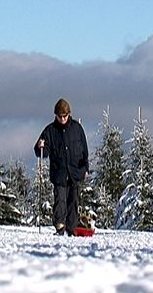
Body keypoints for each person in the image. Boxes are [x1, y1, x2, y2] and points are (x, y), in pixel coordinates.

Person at [34, 98, 89, 236]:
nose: (63, 119)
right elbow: (42, 152)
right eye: (60, 116)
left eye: (65, 116)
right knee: (60, 200)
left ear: (69, 114)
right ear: (56, 116)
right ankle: (59, 226)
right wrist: (40, 146)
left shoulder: (77, 129)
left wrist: (85, 168)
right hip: (59, 173)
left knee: (73, 201)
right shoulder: (50, 131)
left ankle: (71, 229)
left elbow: (84, 150)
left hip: (75, 171)